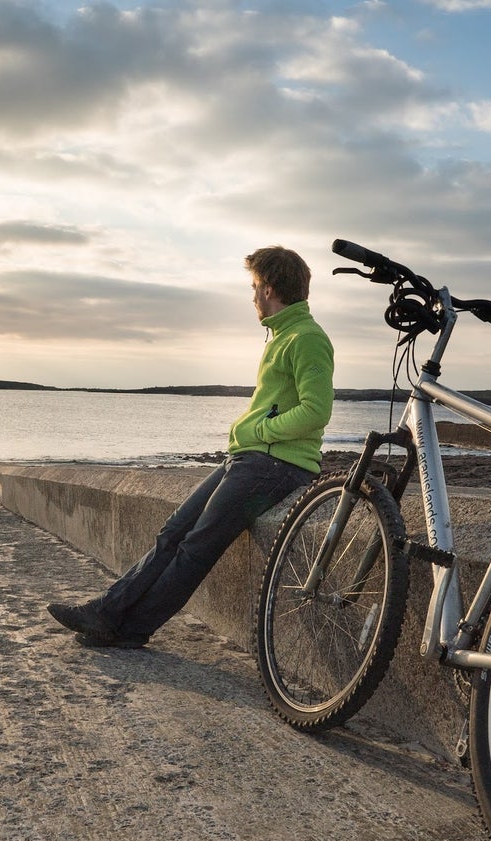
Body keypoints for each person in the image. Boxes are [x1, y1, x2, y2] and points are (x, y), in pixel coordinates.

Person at [47, 245, 335, 648]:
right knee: (173, 533)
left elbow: (316, 411)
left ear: (269, 289)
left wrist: (260, 431)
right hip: (252, 459)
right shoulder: (282, 335)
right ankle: (107, 613)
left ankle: (131, 630)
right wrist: (253, 436)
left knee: (196, 547)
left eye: (254, 287)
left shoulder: (306, 338)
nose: (251, 296)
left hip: (276, 466)